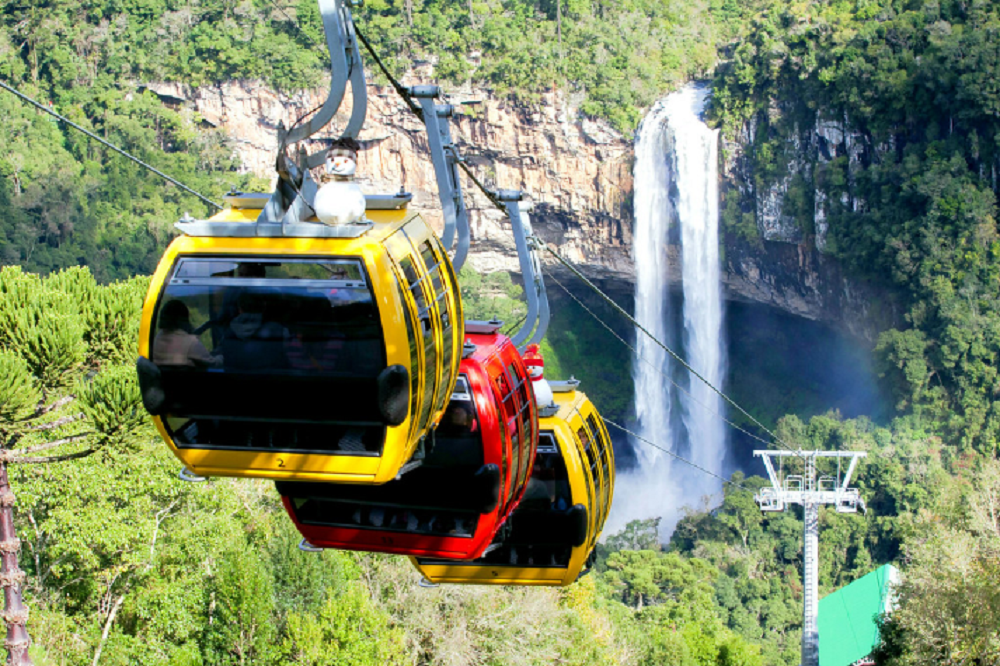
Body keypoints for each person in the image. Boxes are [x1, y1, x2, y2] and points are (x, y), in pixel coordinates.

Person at [153, 301, 221, 368]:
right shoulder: (191, 343)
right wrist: (222, 356)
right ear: (183, 320)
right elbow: (213, 363)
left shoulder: (158, 338)